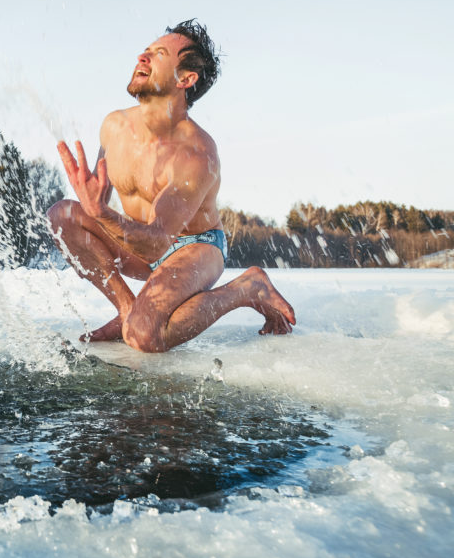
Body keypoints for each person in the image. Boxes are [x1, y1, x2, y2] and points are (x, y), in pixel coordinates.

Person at [48, 19, 294, 352]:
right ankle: (126, 309)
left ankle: (246, 289)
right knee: (63, 215)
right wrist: (92, 204)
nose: (142, 57)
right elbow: (98, 202)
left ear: (185, 78)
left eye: (158, 54)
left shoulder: (196, 153)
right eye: (146, 51)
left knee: (144, 336)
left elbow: (155, 245)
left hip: (194, 247)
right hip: (138, 240)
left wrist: (100, 213)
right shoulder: (114, 126)